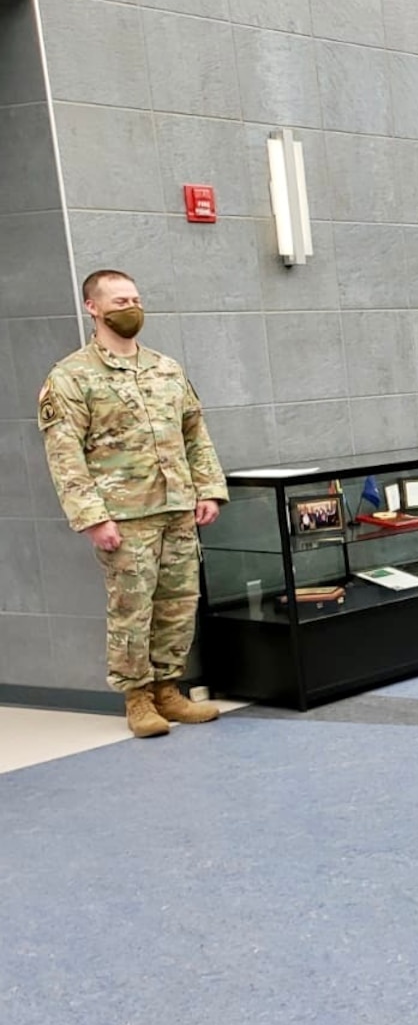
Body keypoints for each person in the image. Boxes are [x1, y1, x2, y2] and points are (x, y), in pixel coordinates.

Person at [38, 270, 228, 738]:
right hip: (123, 516)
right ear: (93, 307)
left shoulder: (166, 368)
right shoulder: (70, 377)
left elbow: (194, 435)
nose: (131, 307)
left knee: (179, 603)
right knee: (132, 607)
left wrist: (207, 489)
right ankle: (137, 699)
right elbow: (64, 455)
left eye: (136, 298)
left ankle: (169, 690)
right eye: (120, 300)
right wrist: (92, 517)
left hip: (178, 508)